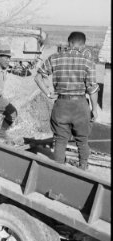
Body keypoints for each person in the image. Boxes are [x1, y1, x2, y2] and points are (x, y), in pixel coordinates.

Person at [34, 31, 99, 170]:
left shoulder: (55, 58)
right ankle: (83, 169)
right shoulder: (88, 62)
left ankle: (59, 169)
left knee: (60, 140)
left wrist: (48, 93)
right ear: (83, 45)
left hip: (61, 105)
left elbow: (38, 77)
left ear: (69, 42)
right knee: (82, 140)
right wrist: (94, 109)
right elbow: (92, 89)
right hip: (80, 106)